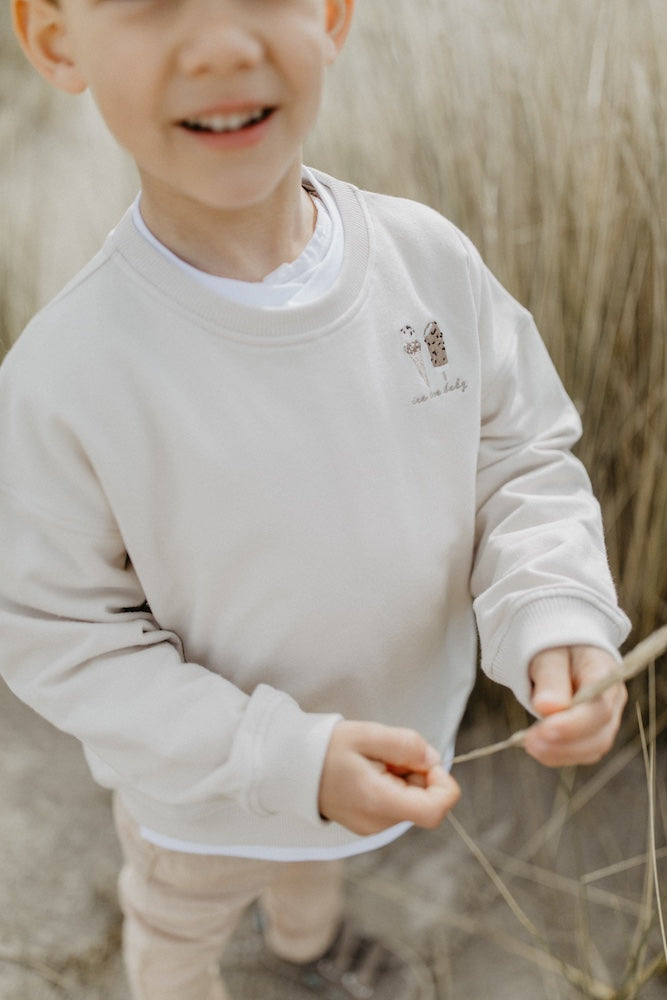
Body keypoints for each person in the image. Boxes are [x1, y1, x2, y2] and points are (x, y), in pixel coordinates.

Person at [1, 0, 630, 997]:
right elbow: (59, 633)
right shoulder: (67, 376)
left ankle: (307, 948)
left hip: (381, 747)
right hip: (202, 802)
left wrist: (551, 607)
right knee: (176, 925)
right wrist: (282, 756)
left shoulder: (427, 264)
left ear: (332, 12)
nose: (219, 43)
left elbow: (514, 460)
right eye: (152, 3)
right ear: (54, 40)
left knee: (313, 869)